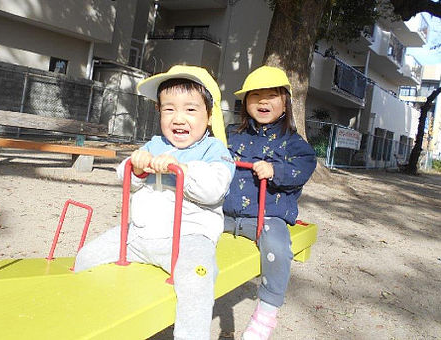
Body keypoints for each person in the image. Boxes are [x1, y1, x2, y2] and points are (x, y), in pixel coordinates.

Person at [74, 65, 235, 340]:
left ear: (209, 116)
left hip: (187, 237)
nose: (178, 118)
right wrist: (135, 168)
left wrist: (180, 169)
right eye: (169, 109)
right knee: (86, 258)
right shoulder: (154, 145)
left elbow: (214, 190)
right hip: (138, 235)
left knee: (198, 279)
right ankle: (94, 321)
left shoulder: (215, 150)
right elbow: (125, 176)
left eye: (190, 109)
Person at [223, 66, 317, 340]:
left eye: (272, 96)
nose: (263, 102)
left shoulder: (294, 143)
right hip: (226, 213)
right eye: (256, 96)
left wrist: (276, 170)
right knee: (193, 226)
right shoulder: (230, 134)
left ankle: (266, 313)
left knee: (277, 247)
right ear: (246, 102)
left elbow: (305, 166)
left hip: (266, 217)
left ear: (285, 102)